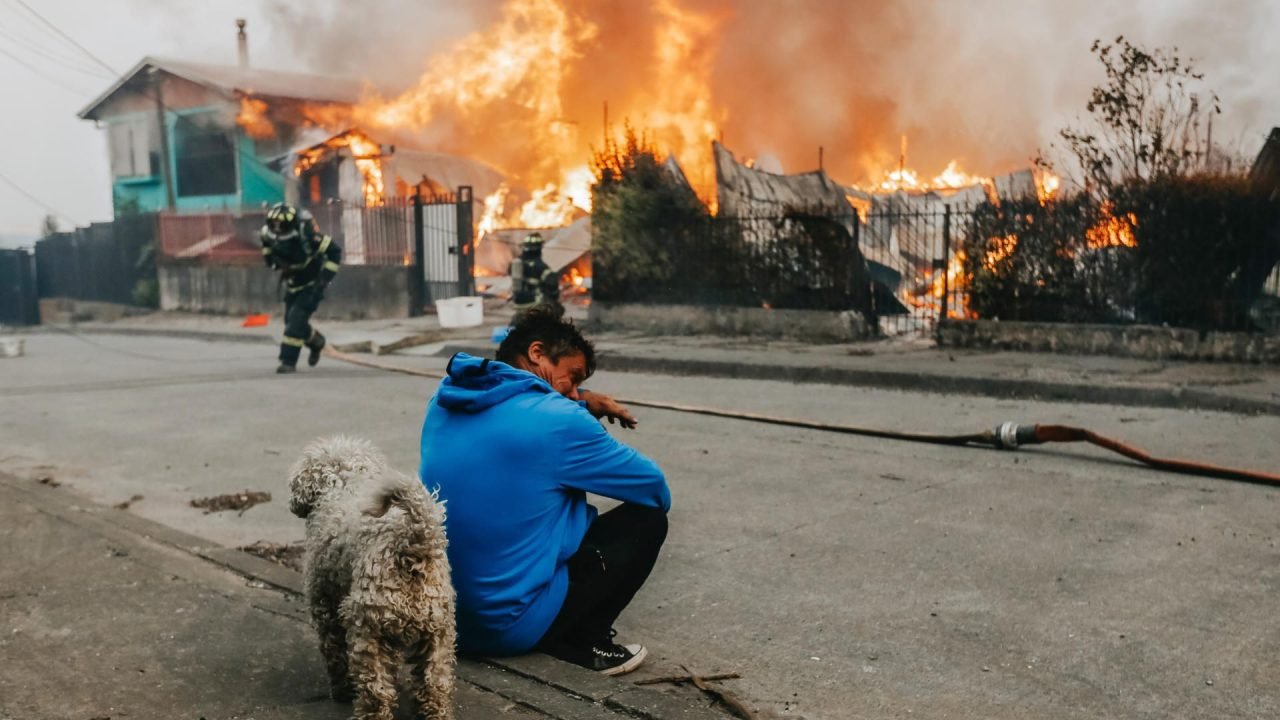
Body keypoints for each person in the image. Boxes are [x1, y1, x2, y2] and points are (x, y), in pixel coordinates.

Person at [418, 307, 670, 676]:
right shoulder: (558, 419)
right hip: (504, 630)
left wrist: (579, 397)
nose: (571, 391)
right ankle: (582, 640)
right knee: (646, 522)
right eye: (572, 377)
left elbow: (517, 420)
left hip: (440, 620)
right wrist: (579, 411)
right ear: (537, 353)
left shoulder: (443, 402)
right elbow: (654, 489)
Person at [260, 203, 341, 374]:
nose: (277, 229)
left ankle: (288, 361)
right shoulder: (268, 233)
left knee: (295, 322)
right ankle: (316, 341)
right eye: (274, 225)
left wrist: (325, 280)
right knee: (291, 321)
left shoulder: (308, 235)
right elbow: (266, 245)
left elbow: (335, 252)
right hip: (293, 284)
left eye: (281, 226)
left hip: (312, 283)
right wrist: (271, 261)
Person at [509, 232, 563, 317]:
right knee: (559, 309)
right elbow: (552, 283)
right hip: (535, 302)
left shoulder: (516, 263)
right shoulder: (540, 266)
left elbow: (511, 274)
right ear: (539, 248)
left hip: (518, 302)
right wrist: (554, 296)